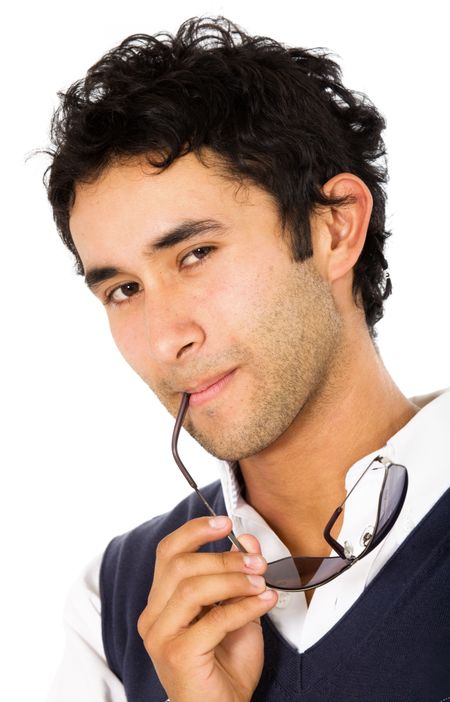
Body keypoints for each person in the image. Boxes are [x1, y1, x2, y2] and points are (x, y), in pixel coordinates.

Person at [43, 15, 450, 702]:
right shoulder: (116, 607)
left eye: (195, 255)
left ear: (333, 228)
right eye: (123, 289)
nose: (166, 337)